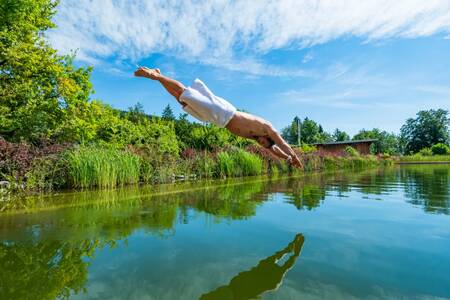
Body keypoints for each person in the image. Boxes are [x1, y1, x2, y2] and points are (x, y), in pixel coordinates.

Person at [134, 67, 302, 168]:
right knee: (186, 93)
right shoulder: (268, 128)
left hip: (216, 119)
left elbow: (274, 150)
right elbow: (282, 144)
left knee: (182, 100)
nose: (260, 144)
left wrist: (287, 159)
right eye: (263, 142)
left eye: (261, 144)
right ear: (267, 137)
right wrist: (295, 157)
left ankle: (159, 77)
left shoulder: (257, 137)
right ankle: (154, 75)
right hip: (223, 111)